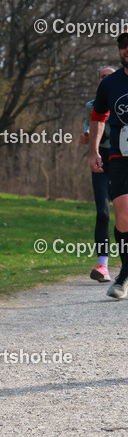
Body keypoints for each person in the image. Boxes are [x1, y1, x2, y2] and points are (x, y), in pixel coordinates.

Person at [89, 32, 128, 298]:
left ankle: (122, 278)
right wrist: (93, 150)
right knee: (123, 216)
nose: (127, 50)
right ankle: (123, 273)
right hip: (119, 157)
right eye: (124, 46)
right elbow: (98, 116)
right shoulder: (110, 83)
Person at [80, 66, 118, 282]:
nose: (105, 79)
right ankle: (103, 266)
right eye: (102, 76)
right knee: (103, 212)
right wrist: (86, 137)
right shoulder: (92, 106)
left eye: (109, 76)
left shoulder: (124, 102)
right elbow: (90, 124)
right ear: (98, 82)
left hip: (122, 157)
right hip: (101, 158)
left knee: (125, 214)